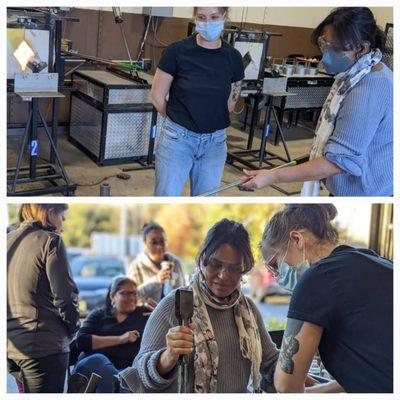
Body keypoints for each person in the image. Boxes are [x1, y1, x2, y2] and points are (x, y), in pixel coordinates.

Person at [242, 7, 393, 196]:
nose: (326, 53)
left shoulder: (369, 87)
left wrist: (273, 176)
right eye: (324, 44)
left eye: (336, 48)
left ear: (362, 48)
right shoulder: (355, 74)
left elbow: (338, 161)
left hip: (366, 193)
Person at [119, 219, 280, 393]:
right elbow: (140, 373)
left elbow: (271, 363)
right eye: (216, 264)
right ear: (202, 260)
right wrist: (168, 356)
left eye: (234, 268)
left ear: (243, 270)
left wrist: (306, 381)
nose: (223, 275)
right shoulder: (174, 305)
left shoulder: (248, 310)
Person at [260, 204, 393, 393]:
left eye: (275, 264)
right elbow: (373, 362)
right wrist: (327, 388)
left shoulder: (316, 277)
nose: (278, 276)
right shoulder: (374, 260)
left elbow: (285, 386)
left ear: (297, 239)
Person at [151, 7, 244, 196]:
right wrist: (178, 123)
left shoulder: (233, 57)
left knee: (206, 200)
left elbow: (231, 101)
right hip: (177, 140)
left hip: (215, 143)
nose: (208, 23)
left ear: (225, 16)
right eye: (201, 17)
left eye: (214, 17)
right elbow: (157, 96)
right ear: (195, 18)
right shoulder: (176, 52)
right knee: (167, 198)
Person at [7, 204, 80, 393]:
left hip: (11, 349)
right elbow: (65, 297)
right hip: (44, 348)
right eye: (62, 218)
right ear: (50, 212)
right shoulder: (51, 241)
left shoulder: (6, 240)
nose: (62, 226)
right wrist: (73, 329)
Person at [71, 276, 150, 393]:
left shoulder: (144, 315)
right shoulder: (99, 315)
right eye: (126, 293)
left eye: (134, 293)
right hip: (92, 369)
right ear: (112, 296)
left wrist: (158, 314)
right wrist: (121, 339)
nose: (132, 298)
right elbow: (82, 341)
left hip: (128, 373)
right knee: (99, 360)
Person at [127, 223, 185, 303]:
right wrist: (156, 280)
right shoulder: (136, 266)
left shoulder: (175, 263)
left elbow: (183, 291)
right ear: (145, 244)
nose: (159, 246)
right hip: (146, 314)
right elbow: (130, 297)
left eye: (162, 241)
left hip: (172, 314)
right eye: (153, 242)